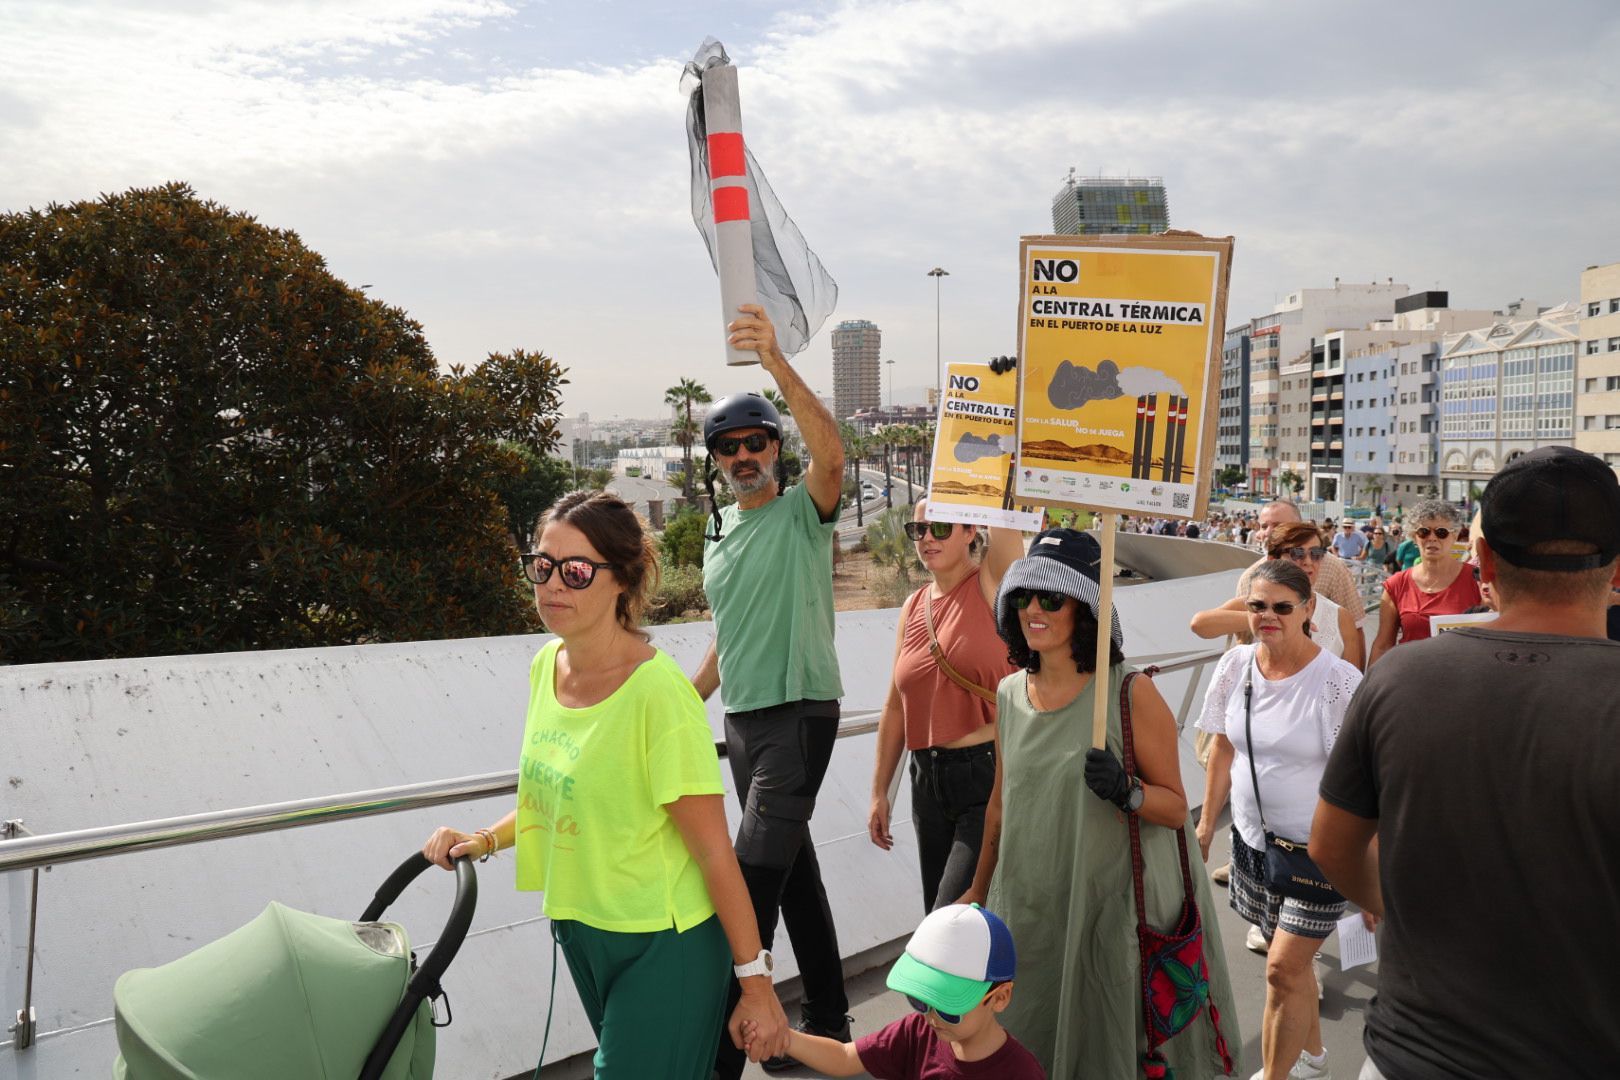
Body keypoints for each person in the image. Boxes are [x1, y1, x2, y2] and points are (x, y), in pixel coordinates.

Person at [420, 491, 790, 1077]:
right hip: (582, 929)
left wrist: (756, 985)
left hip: (663, 942)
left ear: (622, 579)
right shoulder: (547, 666)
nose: (552, 585)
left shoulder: (659, 695)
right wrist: (485, 838)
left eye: (575, 571)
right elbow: (553, 798)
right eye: (542, 565)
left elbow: (715, 853)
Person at [1311, 446, 1620, 1078]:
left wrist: (1408, 905)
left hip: (1413, 1052)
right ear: (1618, 568)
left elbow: (1332, 846)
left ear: (1484, 560)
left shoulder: (1398, 678)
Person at [959, 529, 1239, 1078]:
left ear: (1086, 610)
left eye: (1051, 598)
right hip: (1035, 907)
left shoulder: (1130, 694)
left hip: (1111, 909)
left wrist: (1126, 790)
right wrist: (978, 890)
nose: (1033, 610)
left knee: (1109, 1034)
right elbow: (1000, 806)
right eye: (1023, 597)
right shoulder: (1010, 694)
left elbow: (1174, 809)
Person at [689, 305, 852, 1075]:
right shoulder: (717, 532)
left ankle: (723, 1055)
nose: (743, 455)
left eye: (755, 441)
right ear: (717, 461)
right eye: (729, 447)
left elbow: (835, 457)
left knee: (749, 888)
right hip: (743, 725)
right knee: (795, 881)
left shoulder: (801, 513)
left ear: (776, 448)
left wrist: (776, 362)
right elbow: (728, 637)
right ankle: (829, 1021)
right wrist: (679, 702)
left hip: (798, 717)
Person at [1195, 560, 1365, 1080]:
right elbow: (1223, 749)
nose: (1267, 615)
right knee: (1292, 969)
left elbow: (1366, 781)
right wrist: (1205, 825)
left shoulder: (1338, 681)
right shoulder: (1236, 665)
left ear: (1309, 609)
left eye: (1281, 607)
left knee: (1280, 970)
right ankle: (1312, 1058)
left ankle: (1272, 1073)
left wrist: (1371, 871)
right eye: (1257, 605)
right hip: (1254, 844)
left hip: (1320, 853)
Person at [869, 498, 1023, 912]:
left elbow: (1006, 520)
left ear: (971, 531)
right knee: (942, 917)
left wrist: (973, 480)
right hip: (926, 780)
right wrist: (879, 791)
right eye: (918, 530)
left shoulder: (991, 583)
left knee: (949, 918)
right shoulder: (913, 606)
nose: (926, 538)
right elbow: (895, 707)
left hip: (985, 775)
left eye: (940, 527)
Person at [744, 904, 1046, 1079]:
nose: (931, 1017)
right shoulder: (918, 1033)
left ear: (999, 998)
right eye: (920, 1000)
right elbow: (845, 1057)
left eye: (948, 1006)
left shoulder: (1022, 1073)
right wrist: (783, 1036)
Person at [1191, 523, 1362, 670]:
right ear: (1273, 559)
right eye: (1297, 554)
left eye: (1316, 554)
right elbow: (1200, 624)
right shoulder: (1255, 605)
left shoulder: (1339, 617)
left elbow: (1353, 684)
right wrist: (1265, 619)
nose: (1308, 561)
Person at [1236, 501, 1365, 686]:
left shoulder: (1334, 570)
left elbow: (1355, 633)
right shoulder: (1250, 578)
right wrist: (1264, 618)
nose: (1308, 561)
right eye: (1264, 526)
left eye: (1278, 525)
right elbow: (1234, 636)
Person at [1367, 498, 1480, 665]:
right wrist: (1370, 680)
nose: (1432, 538)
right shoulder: (1396, 584)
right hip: (1409, 676)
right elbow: (1383, 646)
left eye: (1441, 532)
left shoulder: (1478, 580)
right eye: (1424, 532)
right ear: (1414, 536)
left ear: (1455, 535)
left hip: (1463, 677)